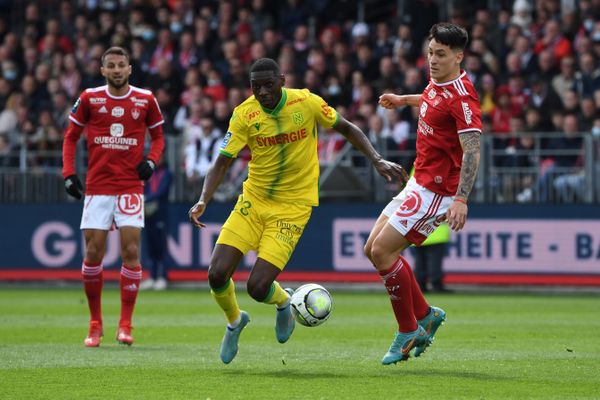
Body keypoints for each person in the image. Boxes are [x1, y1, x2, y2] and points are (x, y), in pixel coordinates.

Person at [188, 58, 407, 364]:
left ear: (282, 80)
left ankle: (284, 302)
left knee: (257, 286)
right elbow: (222, 161)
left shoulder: (306, 102)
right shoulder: (243, 114)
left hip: (293, 208)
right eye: (255, 86)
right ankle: (235, 321)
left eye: (268, 85)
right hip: (253, 201)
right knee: (216, 274)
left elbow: (346, 127)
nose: (262, 92)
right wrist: (203, 200)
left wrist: (377, 159)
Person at [364, 23, 482, 365]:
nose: (432, 60)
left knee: (384, 253)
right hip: (419, 180)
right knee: (372, 249)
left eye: (441, 55)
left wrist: (461, 199)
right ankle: (427, 315)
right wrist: (404, 100)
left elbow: (472, 150)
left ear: (458, 57)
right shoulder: (438, 83)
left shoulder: (464, 97)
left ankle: (408, 330)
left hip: (438, 189)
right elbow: (432, 99)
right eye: (430, 52)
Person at [62, 46, 165, 347]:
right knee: (93, 255)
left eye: (122, 65)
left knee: (131, 253)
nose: (117, 69)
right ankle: (95, 324)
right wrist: (69, 174)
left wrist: (151, 161)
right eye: (111, 65)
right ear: (103, 69)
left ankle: (125, 325)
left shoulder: (145, 99)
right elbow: (70, 136)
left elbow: (158, 137)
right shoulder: (90, 98)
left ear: (130, 69)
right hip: (97, 188)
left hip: (130, 187)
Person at [140, 156, 173, 291]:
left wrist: (147, 198)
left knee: (161, 246)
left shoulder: (167, 173)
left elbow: (162, 191)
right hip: (148, 212)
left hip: (160, 212)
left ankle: (162, 276)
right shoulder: (151, 173)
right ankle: (153, 276)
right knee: (151, 244)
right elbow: (145, 186)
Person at [411, 222, 451, 293]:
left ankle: (420, 286)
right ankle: (436, 285)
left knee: (420, 262)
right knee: (434, 262)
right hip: (437, 235)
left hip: (418, 234)